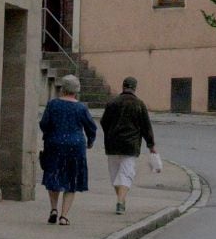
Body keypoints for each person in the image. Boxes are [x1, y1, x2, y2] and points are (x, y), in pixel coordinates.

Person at [36, 84, 96, 226]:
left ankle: (53, 209)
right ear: (76, 91)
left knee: (54, 174)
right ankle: (64, 216)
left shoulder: (53, 104)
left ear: (62, 89)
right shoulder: (81, 108)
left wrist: (49, 133)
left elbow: (44, 124)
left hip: (54, 144)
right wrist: (90, 141)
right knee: (71, 180)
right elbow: (91, 127)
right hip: (75, 146)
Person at [101, 77, 154, 213]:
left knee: (115, 175)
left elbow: (103, 122)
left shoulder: (112, 102)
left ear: (123, 86)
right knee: (126, 173)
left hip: (112, 144)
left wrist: (110, 134)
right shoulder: (139, 104)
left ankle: (121, 200)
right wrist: (151, 144)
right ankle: (120, 201)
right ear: (135, 88)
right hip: (130, 145)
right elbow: (146, 127)